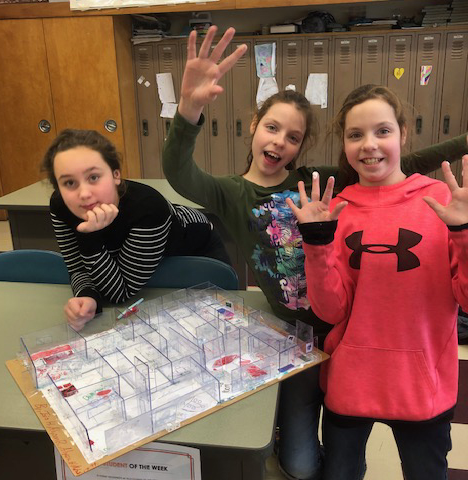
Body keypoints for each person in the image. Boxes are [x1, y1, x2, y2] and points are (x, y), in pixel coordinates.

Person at [162, 26, 468, 480]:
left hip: (346, 328)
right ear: (253, 127)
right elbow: (181, 173)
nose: (279, 141)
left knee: (359, 442)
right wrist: (189, 109)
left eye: (293, 136)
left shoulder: (319, 183)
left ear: (302, 148)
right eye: (272, 127)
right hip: (291, 337)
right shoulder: (231, 192)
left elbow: (401, 161)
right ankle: (290, 433)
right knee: (306, 465)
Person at [287, 84, 468, 480]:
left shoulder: (441, 200)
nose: (369, 145)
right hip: (351, 380)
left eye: (382, 131)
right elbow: (330, 310)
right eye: (356, 135)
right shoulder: (338, 210)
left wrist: (464, 233)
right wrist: (317, 243)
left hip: (422, 388)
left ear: (403, 133)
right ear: (345, 144)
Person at [41, 128, 231, 331]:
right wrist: (87, 296)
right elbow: (78, 267)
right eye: (69, 183)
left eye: (94, 177)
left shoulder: (148, 208)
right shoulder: (60, 206)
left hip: (196, 250)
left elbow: (118, 293)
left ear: (116, 175)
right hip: (136, 271)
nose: (84, 193)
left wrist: (89, 236)